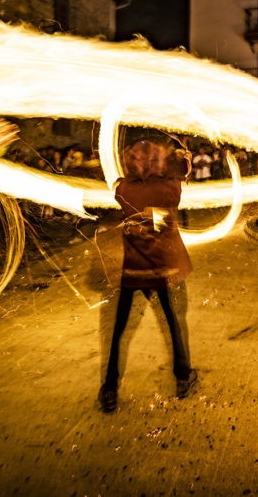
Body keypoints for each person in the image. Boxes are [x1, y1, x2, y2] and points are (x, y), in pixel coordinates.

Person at [99, 141, 198, 412]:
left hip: (133, 270)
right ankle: (182, 378)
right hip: (162, 269)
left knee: (118, 331)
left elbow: (116, 186)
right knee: (174, 324)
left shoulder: (124, 189)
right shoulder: (169, 189)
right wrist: (184, 158)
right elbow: (183, 177)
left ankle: (109, 388)